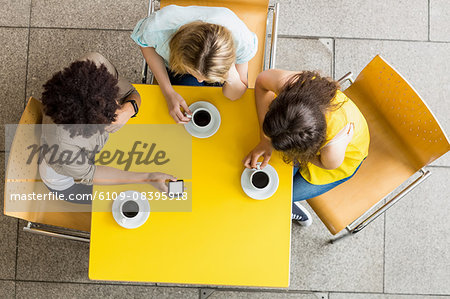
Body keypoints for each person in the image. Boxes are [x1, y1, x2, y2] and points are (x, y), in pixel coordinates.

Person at [39, 52, 177, 203]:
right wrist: (148, 177)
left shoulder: (96, 66)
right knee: (121, 196)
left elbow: (130, 93)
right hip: (66, 181)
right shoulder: (63, 142)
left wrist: (130, 108)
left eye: (114, 100)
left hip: (90, 155)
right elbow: (91, 174)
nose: (118, 105)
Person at [243, 70, 370, 226]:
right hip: (308, 142)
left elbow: (327, 164)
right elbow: (262, 80)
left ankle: (288, 206)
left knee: (280, 196)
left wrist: (289, 151)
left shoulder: (332, 150)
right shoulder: (293, 86)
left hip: (335, 163)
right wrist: (265, 138)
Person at [131, 5, 258, 124]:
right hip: (180, 65)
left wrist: (229, 70)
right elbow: (146, 45)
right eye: (197, 75)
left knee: (227, 108)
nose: (199, 80)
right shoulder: (158, 28)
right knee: (188, 101)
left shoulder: (242, 41)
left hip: (222, 66)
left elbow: (235, 95)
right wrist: (168, 93)